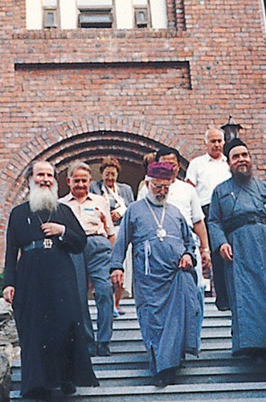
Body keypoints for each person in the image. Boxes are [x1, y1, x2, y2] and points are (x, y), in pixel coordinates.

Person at [3, 160, 98, 399]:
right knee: (34, 330)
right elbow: (10, 251)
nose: (45, 179)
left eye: (49, 175)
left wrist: (62, 231)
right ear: (30, 180)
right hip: (30, 278)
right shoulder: (18, 213)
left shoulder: (63, 211)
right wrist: (9, 283)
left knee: (65, 326)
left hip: (60, 276)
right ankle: (38, 385)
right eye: (40, 175)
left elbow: (80, 242)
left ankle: (67, 378)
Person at [207, 138, 266, 361]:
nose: (241, 160)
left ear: (250, 159)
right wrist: (221, 243)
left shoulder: (265, 189)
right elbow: (213, 221)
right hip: (239, 249)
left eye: (245, 155)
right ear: (228, 163)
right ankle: (253, 346)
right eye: (236, 157)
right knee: (247, 297)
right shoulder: (220, 191)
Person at [110, 161, 203, 387]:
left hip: (176, 275)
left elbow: (190, 243)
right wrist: (116, 266)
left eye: (166, 187)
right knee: (154, 322)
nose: (162, 191)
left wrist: (188, 255)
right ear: (147, 184)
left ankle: (170, 364)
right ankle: (160, 369)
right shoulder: (134, 210)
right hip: (149, 277)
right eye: (157, 186)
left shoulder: (176, 212)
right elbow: (121, 242)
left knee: (179, 318)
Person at [61, 160, 116, 356]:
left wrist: (114, 261)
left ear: (90, 181)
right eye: (76, 181)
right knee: (78, 295)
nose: (81, 184)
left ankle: (104, 340)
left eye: (84, 181)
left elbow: (110, 232)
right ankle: (87, 341)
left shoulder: (100, 201)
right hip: (73, 248)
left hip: (97, 246)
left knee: (105, 290)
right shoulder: (61, 205)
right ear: (69, 181)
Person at [138, 147, 212, 279]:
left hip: (186, 244)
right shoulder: (147, 189)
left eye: (172, 164)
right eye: (164, 164)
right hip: (157, 245)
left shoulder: (188, 189)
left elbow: (198, 221)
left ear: (178, 166)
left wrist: (205, 249)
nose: (168, 168)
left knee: (191, 283)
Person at [186, 126, 231, 296]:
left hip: (229, 211)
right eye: (213, 141)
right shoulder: (197, 164)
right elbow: (190, 189)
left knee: (231, 252)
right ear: (205, 143)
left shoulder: (228, 163)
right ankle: (220, 296)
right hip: (207, 211)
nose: (217, 145)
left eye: (219, 141)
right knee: (214, 253)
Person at [90, 156, 135, 315]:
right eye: (107, 174)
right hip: (105, 233)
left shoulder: (125, 190)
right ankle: (109, 304)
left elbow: (132, 208)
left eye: (113, 174)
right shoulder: (95, 188)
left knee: (122, 266)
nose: (110, 177)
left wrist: (120, 212)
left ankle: (117, 302)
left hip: (122, 231)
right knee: (108, 267)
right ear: (101, 174)